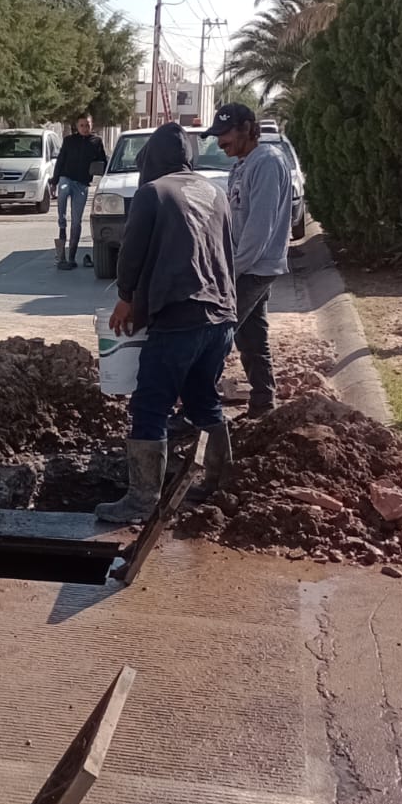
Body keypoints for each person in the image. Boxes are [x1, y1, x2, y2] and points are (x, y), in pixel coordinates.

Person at [95, 122, 237, 524]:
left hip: (179, 317)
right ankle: (217, 482)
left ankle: (141, 501)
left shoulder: (152, 193)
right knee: (203, 400)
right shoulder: (216, 193)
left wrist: (126, 299)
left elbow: (132, 254)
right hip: (222, 317)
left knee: (150, 405)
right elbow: (226, 251)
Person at [207, 102, 293, 416]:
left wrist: (231, 271)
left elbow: (260, 228)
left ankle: (198, 409)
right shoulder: (242, 165)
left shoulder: (267, 163)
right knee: (252, 337)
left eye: (225, 134)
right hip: (247, 267)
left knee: (216, 333)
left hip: (254, 269)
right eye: (217, 135)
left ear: (246, 129)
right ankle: (263, 403)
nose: (220, 142)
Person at [51, 114, 107, 270]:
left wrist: (105, 176)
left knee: (76, 222)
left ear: (92, 125)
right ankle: (61, 231)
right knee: (62, 194)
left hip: (82, 184)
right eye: (82, 125)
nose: (84, 128)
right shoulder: (69, 141)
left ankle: (71, 257)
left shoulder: (96, 142)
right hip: (66, 179)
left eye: (87, 125)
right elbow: (61, 160)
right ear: (77, 126)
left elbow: (103, 161)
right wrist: (54, 181)